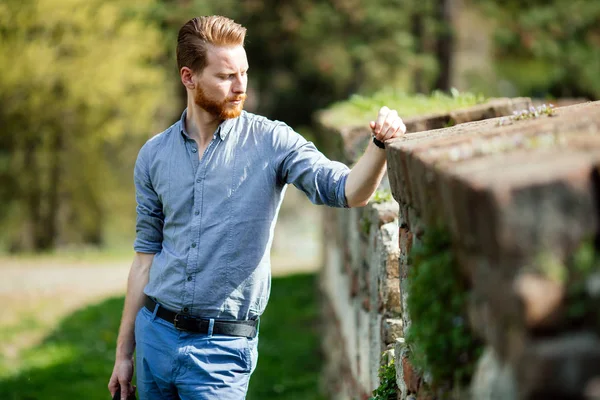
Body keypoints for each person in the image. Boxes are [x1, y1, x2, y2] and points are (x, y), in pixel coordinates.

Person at [108, 15, 406, 400]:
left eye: (244, 73)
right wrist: (124, 354)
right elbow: (144, 260)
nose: (240, 87)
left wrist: (380, 145)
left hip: (222, 352)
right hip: (155, 338)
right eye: (226, 76)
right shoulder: (153, 156)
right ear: (188, 77)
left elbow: (347, 191)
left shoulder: (272, 141)